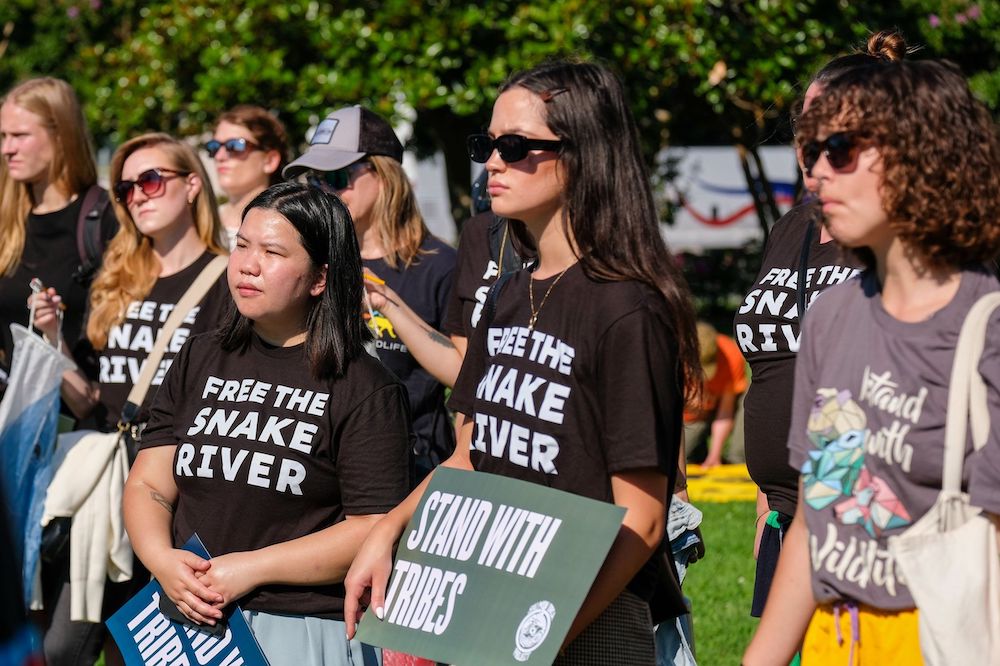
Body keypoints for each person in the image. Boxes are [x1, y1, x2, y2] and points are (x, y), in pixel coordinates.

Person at [344, 60, 701, 665]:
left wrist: (542, 637)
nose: (493, 163)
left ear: (583, 153)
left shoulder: (627, 307)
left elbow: (641, 516)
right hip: (492, 599)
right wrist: (389, 530)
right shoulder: (511, 291)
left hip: (591, 614)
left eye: (515, 146)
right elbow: (469, 455)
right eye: (487, 144)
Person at [743, 57, 1000, 665]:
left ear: (923, 151)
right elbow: (814, 517)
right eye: (809, 154)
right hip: (837, 640)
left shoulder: (985, 324)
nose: (815, 176)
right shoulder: (831, 316)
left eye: (838, 150)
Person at [123, 182, 412, 666]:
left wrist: (252, 569)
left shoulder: (365, 386)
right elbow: (149, 482)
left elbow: (373, 527)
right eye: (241, 245)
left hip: (298, 630)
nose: (247, 265)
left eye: (273, 252)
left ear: (320, 277)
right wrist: (160, 560)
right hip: (181, 621)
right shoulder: (201, 355)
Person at [30, 132, 230, 664]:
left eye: (150, 180)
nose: (137, 195)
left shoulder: (227, 280)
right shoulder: (118, 278)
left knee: (144, 651)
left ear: (192, 186)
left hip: (178, 496)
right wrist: (54, 346)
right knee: (63, 647)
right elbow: (92, 401)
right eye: (125, 188)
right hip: (106, 494)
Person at [732, 31, 903, 619]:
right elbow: (773, 368)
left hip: (867, 523)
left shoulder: (903, 241)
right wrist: (766, 501)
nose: (808, 141)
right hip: (787, 518)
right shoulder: (794, 228)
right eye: (803, 122)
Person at [284, 106, 456, 479]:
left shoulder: (440, 265)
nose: (326, 190)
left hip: (412, 463)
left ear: (384, 175)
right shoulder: (312, 259)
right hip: (317, 463)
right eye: (316, 180)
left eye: (337, 175)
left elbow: (465, 375)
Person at [0, 77, 117, 403]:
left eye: (20, 136)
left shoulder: (105, 218)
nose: (7, 148)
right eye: (4, 136)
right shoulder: (7, 218)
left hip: (82, 425)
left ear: (61, 136)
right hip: (14, 426)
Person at [207, 105, 290, 242]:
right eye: (214, 147)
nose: (219, 156)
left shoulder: (288, 226)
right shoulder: (201, 221)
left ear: (270, 160)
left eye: (234, 146)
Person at [685, 321, 748, 469]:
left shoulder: (730, 353)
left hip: (718, 407)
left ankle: (737, 459)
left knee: (749, 395)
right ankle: (697, 453)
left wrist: (715, 455)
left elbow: (725, 411)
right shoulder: (674, 354)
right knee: (682, 455)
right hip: (690, 416)